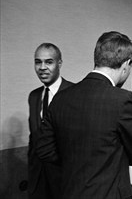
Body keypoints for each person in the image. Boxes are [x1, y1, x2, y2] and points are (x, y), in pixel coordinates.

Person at [36, 31, 132, 199]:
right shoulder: (122, 100)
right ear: (127, 64)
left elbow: (44, 150)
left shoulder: (61, 97)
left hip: (69, 191)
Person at [28, 43, 73, 199]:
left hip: (65, 178)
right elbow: (34, 137)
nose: (42, 67)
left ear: (59, 63)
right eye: (38, 62)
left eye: (49, 62)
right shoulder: (34, 96)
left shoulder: (74, 93)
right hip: (38, 179)